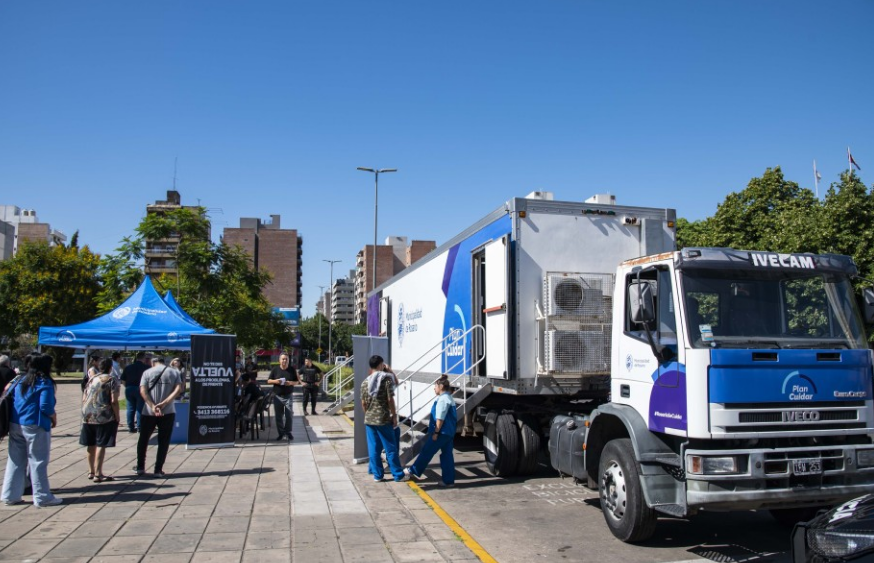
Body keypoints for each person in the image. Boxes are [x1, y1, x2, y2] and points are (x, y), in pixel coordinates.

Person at [1, 354, 62, 507]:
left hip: (16, 423)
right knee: (38, 461)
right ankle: (42, 496)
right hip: (36, 424)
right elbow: (46, 406)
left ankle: (10, 494)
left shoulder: (19, 380)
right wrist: (53, 416)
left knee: (15, 460)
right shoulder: (44, 382)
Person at [403, 377, 457, 486]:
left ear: (441, 387)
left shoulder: (442, 400)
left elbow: (440, 418)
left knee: (427, 451)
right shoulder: (449, 398)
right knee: (447, 455)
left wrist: (436, 433)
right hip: (449, 432)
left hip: (441, 432)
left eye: (436, 386)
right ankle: (448, 480)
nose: (434, 388)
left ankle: (412, 471)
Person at [135, 357, 183, 477]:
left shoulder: (147, 372)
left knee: (143, 439)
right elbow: (178, 389)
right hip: (168, 411)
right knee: (164, 440)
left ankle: (140, 466)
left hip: (149, 411)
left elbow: (143, 391)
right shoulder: (174, 372)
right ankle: (158, 469)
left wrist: (152, 406)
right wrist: (165, 402)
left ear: (152, 362)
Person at [361, 355, 404, 482]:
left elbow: (363, 403)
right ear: (380, 365)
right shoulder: (386, 381)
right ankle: (397, 475)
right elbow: (390, 399)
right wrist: (394, 415)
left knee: (374, 448)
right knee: (390, 447)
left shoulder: (365, 382)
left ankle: (377, 476)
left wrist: (368, 413)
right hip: (383, 419)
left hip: (369, 420)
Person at [80, 358, 120, 482]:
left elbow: (84, 397)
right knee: (101, 443)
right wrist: (117, 416)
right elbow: (113, 400)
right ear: (110, 367)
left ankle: (91, 471)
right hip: (103, 416)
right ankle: (98, 473)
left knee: (90, 444)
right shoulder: (111, 379)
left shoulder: (92, 379)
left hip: (87, 414)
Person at [267, 352, 299, 441]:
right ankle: (281, 433)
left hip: (288, 395)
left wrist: (290, 383)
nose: (284, 361)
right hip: (277, 396)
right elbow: (269, 381)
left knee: (289, 415)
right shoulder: (275, 369)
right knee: (278, 416)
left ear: (288, 360)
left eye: (286, 359)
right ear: (279, 360)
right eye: (283, 359)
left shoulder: (292, 370)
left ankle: (288, 432)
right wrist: (276, 381)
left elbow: (297, 382)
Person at [120, 352, 151, 433]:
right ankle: (139, 427)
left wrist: (127, 387)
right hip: (140, 388)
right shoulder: (146, 367)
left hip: (129, 388)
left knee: (130, 408)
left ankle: (131, 427)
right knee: (140, 408)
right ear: (143, 358)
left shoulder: (128, 367)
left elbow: (123, 380)